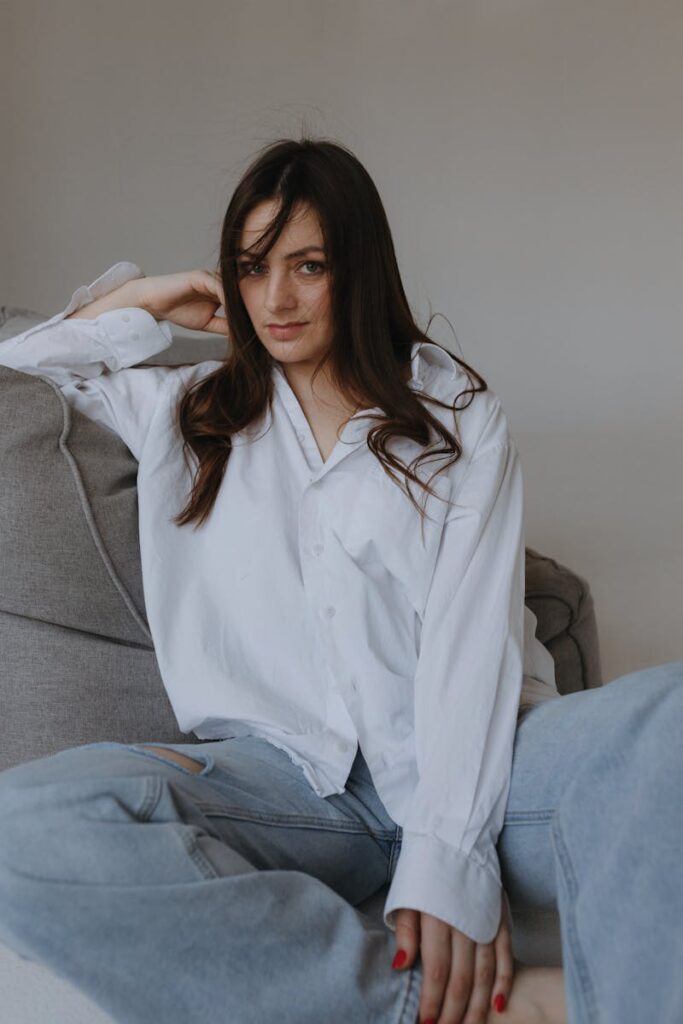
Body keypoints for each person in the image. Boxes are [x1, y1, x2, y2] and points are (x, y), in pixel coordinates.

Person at [0, 136, 680, 1024]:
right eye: (250, 268)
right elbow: (18, 378)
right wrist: (141, 305)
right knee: (23, 824)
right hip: (280, 781)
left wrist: (449, 861)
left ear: (357, 267)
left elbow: (471, 651)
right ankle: (412, 1007)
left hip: (490, 765)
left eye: (307, 265)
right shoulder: (186, 408)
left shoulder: (458, 420)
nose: (274, 298)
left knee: (668, 720)